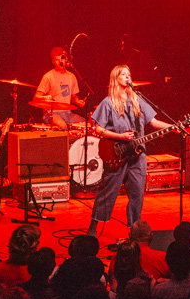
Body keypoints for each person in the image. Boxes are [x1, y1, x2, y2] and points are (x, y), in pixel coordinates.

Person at [87, 65, 172, 236]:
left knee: (137, 195)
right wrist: (120, 137)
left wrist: (174, 127)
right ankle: (93, 228)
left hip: (137, 155)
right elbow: (98, 129)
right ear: (115, 78)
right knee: (108, 192)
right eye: (123, 74)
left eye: (129, 74)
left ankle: (133, 232)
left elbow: (153, 123)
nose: (127, 77)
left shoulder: (137, 99)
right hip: (117, 153)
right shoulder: (108, 102)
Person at [32, 46, 86, 129]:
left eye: (62, 59)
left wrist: (78, 101)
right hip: (51, 114)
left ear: (66, 59)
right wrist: (45, 98)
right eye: (57, 60)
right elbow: (36, 97)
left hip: (68, 113)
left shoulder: (71, 77)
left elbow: (73, 96)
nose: (60, 61)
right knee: (62, 126)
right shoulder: (48, 77)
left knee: (85, 124)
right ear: (53, 61)